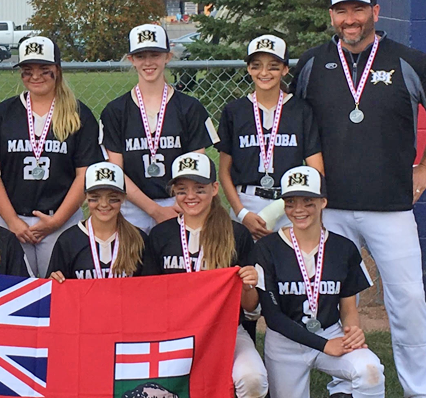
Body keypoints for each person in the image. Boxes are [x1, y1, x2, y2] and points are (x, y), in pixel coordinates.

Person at [289, 0, 426, 395]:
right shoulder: (312, 63)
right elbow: (295, 120)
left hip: (391, 205)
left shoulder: (408, 60)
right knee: (326, 297)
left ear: (375, 13)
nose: (350, 20)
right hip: (328, 206)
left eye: (358, 10)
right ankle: (342, 382)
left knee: (408, 300)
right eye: (342, 11)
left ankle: (421, 389)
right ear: (332, 16)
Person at [0, 36, 103, 278]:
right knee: (12, 294)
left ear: (57, 69)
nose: (36, 76)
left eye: (44, 70)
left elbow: (84, 174)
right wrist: (12, 221)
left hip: (60, 222)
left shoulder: (78, 114)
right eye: (27, 70)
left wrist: (56, 222)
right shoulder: (5, 113)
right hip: (12, 221)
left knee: (58, 294)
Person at [143, 152, 267, 397]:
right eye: (182, 189)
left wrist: (248, 285)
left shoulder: (236, 234)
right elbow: (150, 297)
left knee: (253, 378)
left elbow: (252, 310)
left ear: (214, 188)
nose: (190, 196)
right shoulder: (161, 235)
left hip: (225, 329)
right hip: (174, 332)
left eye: (199, 188)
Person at [257, 166, 384, 397]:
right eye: (291, 202)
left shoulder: (343, 248)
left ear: (323, 202)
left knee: (370, 370)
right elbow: (273, 318)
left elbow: (348, 308)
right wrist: (324, 346)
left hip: (329, 332)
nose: (299, 209)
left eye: (308, 201)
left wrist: (352, 331)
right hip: (286, 342)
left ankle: (342, 392)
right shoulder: (267, 248)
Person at [101, 24, 219, 233]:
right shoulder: (116, 111)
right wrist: (154, 210)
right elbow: (116, 171)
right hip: (132, 207)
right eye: (140, 56)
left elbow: (194, 168)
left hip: (180, 203)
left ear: (167, 56)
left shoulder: (190, 108)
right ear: (131, 60)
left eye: (155, 55)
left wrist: (174, 206)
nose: (148, 62)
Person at [217, 34, 323, 239]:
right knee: (246, 268)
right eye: (256, 65)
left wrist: (282, 209)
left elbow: (316, 169)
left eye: (273, 66)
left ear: (285, 69)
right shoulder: (235, 111)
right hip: (246, 202)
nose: (264, 72)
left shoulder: (300, 110)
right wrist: (242, 213)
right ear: (249, 69)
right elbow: (224, 172)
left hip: (291, 203)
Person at [48, 162, 160, 281]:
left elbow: (149, 288)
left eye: (112, 198)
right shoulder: (68, 241)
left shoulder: (139, 239)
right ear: (86, 197)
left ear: (123, 197)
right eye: (95, 197)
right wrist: (53, 281)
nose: (104, 204)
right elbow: (54, 289)